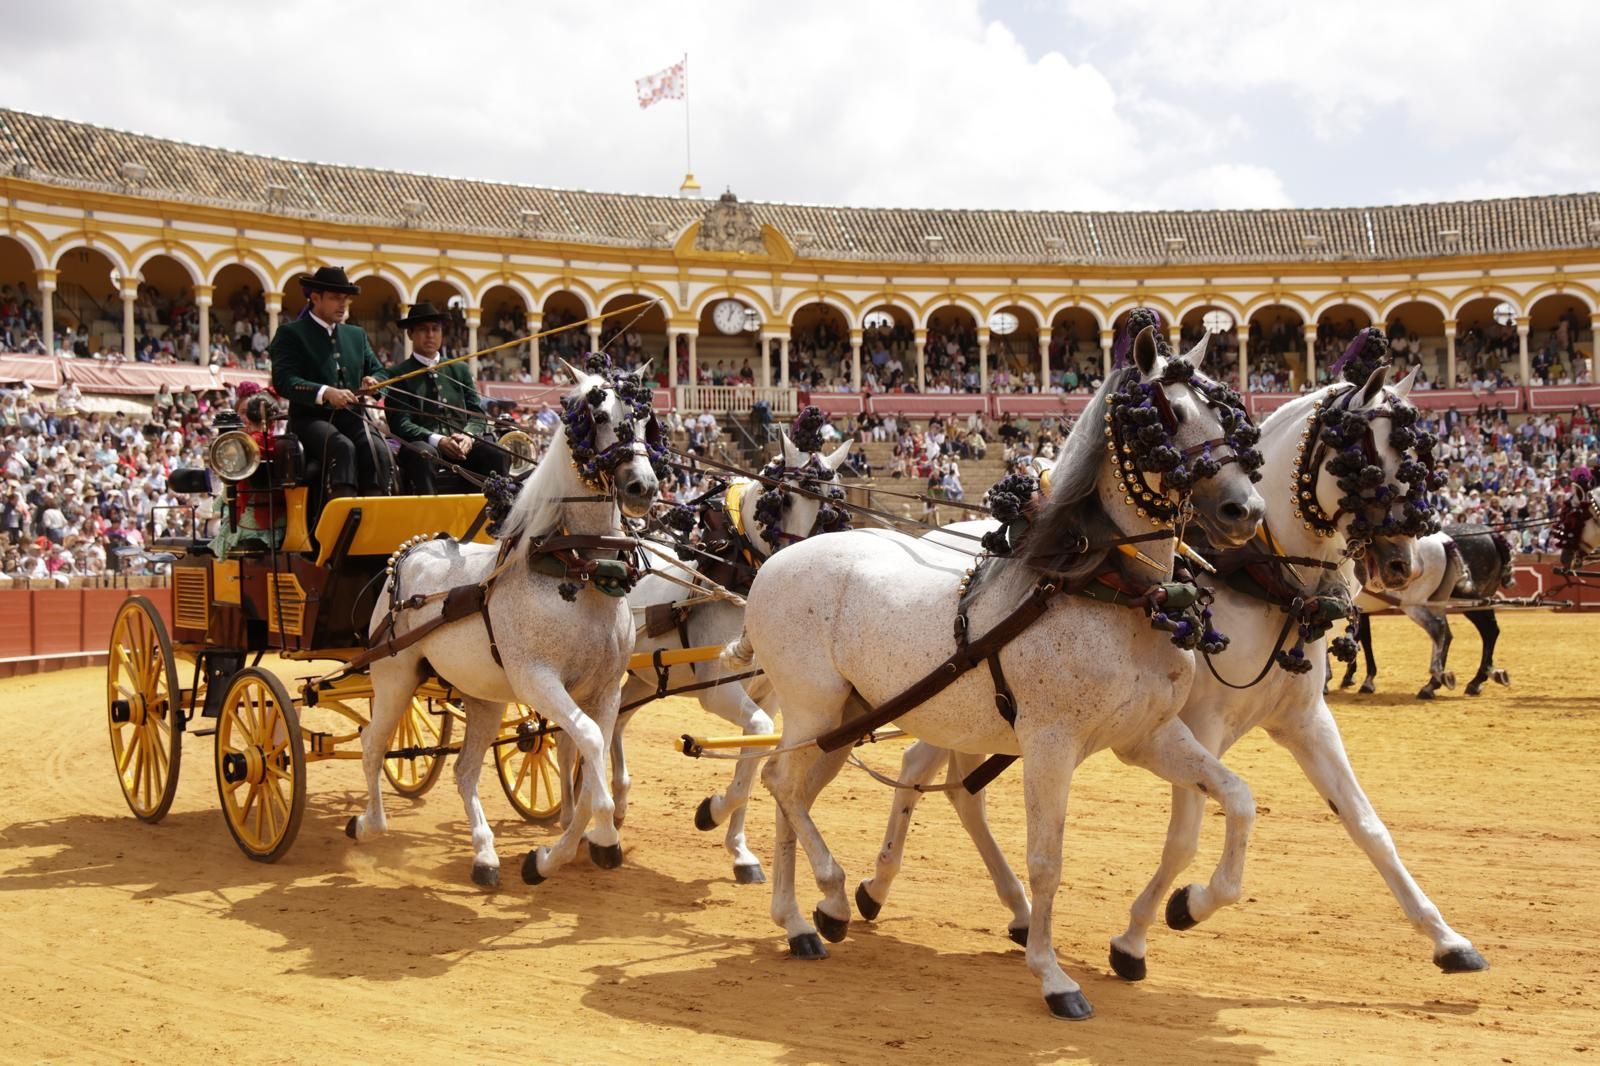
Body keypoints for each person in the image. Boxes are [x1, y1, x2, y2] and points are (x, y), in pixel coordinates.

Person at [268, 266, 394, 498]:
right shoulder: (291, 334)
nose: (342, 304)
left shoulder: (356, 335)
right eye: (335, 298)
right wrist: (325, 392)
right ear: (315, 298)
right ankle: (342, 518)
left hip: (353, 416)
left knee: (377, 449)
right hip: (309, 418)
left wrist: (374, 381)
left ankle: (377, 512)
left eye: (345, 298)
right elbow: (284, 381)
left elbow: (379, 371)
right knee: (342, 447)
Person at [381, 300, 510, 493]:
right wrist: (438, 440)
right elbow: (401, 424)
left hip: (462, 443)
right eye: (423, 329)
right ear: (410, 334)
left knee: (497, 454)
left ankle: (494, 513)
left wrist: (469, 437)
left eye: (435, 329)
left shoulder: (460, 369)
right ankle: (430, 517)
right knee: (424, 454)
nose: (430, 335)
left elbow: (476, 413)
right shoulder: (398, 374)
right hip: (425, 444)